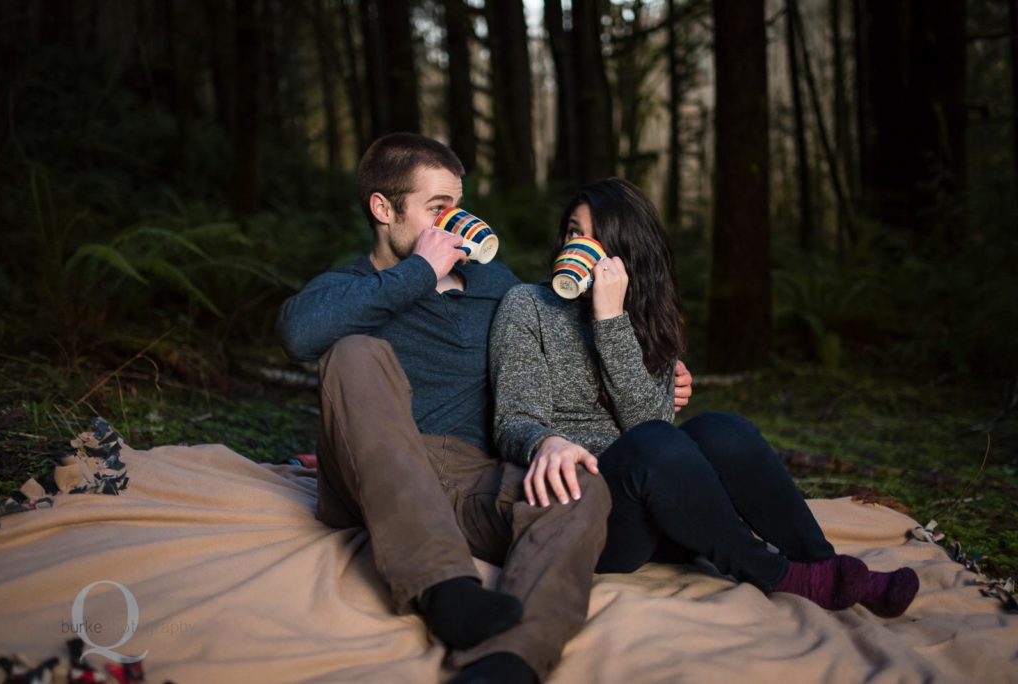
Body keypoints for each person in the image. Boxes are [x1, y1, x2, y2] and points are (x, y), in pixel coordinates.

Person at [489, 177, 919, 618]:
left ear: (626, 251)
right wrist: (549, 441)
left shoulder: (647, 315)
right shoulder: (529, 306)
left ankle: (822, 564)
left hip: (666, 508)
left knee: (723, 429)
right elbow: (515, 420)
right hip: (592, 514)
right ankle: (781, 575)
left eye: (595, 237)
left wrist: (612, 319)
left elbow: (650, 422)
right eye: (574, 232)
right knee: (655, 444)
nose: (577, 245)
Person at [275, 133, 612, 684]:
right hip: (379, 477)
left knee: (580, 484)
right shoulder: (353, 285)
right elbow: (298, 332)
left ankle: (505, 662)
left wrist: (651, 370)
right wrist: (418, 273)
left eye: (458, 207)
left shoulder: (493, 283)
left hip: (473, 478)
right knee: (356, 352)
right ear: (383, 208)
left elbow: (552, 348)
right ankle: (444, 589)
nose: (455, 223)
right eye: (438, 209)